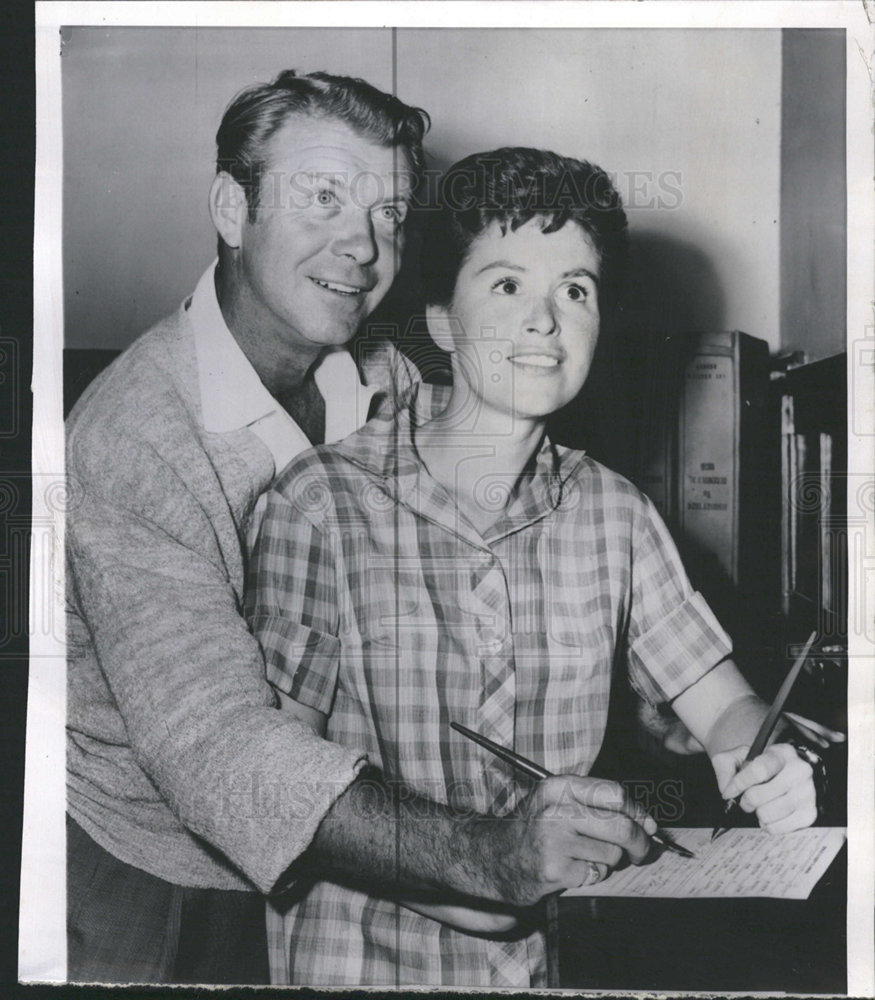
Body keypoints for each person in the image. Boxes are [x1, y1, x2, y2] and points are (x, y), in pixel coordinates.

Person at [65, 72, 661, 986]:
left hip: (356, 867)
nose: (362, 244)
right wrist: (483, 855)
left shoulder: (385, 374)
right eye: (323, 197)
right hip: (158, 874)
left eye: (388, 212)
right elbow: (221, 748)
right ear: (232, 207)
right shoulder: (135, 438)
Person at [247, 147, 823, 987]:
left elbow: (724, 703)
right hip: (359, 969)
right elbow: (279, 793)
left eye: (575, 291)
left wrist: (763, 759)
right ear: (441, 319)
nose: (545, 320)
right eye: (507, 285)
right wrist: (485, 877)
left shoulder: (613, 512)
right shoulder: (321, 504)